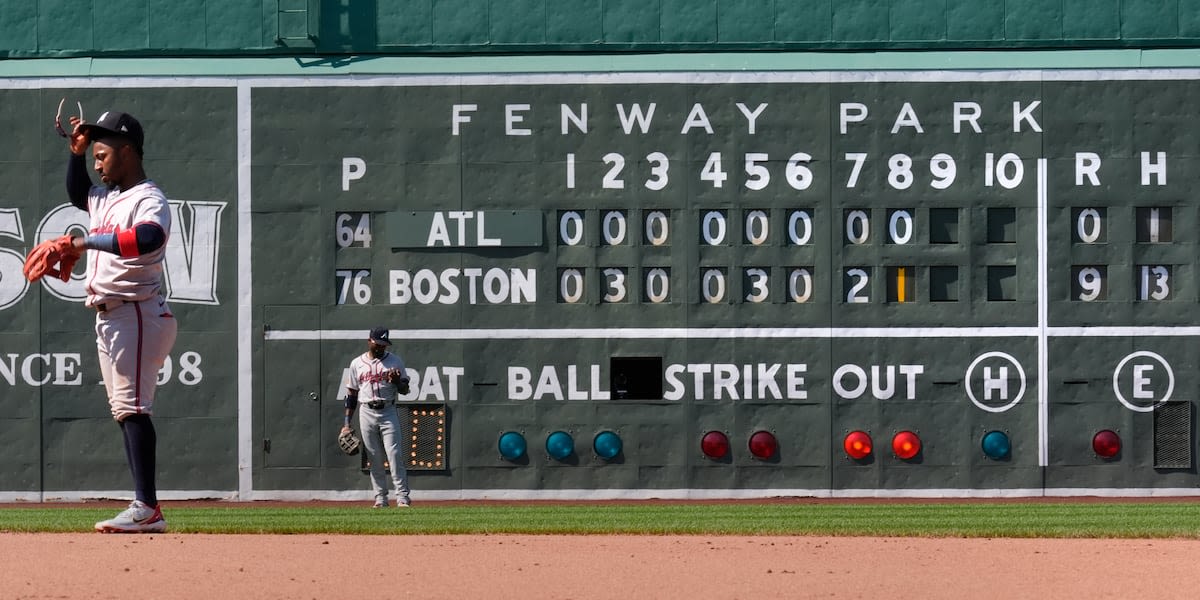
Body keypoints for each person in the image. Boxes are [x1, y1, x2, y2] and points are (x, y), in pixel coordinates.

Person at [60, 110, 178, 532]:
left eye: (102, 153)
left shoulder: (149, 198)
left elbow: (148, 238)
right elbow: (79, 194)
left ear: (127, 152)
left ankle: (147, 508)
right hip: (112, 315)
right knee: (124, 410)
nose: (97, 162)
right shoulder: (105, 198)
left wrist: (85, 240)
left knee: (133, 408)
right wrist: (75, 155)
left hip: (137, 311)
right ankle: (146, 507)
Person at [341, 327, 412, 508]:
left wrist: (397, 382)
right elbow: (351, 395)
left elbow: (405, 390)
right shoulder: (357, 363)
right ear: (369, 341)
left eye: (384, 344)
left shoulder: (395, 361)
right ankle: (380, 498)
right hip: (366, 411)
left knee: (394, 455)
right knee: (374, 457)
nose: (381, 347)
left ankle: (402, 497)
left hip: (388, 410)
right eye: (378, 343)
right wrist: (346, 424)